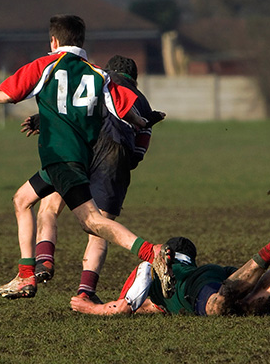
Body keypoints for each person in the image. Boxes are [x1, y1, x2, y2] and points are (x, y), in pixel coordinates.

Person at [0, 14, 173, 300]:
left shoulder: (46, 64)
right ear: (82, 41)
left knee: (92, 222)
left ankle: (152, 251)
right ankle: (27, 273)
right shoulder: (99, 74)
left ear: (53, 40)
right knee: (22, 199)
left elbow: (10, 94)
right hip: (78, 160)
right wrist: (144, 121)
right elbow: (125, 110)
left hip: (60, 159)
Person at [20, 55, 163, 303]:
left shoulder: (97, 80)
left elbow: (68, 109)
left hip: (78, 151)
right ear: (135, 79)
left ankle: (44, 260)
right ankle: (85, 291)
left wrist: (40, 119)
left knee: (49, 207)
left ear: (110, 69)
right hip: (113, 158)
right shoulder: (142, 102)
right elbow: (138, 153)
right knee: (99, 230)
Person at [70, 217, 270, 316]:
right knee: (250, 304)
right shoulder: (200, 268)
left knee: (217, 306)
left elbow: (126, 306)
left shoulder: (150, 267)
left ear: (168, 253)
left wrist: (90, 307)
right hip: (217, 273)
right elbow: (255, 280)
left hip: (193, 288)